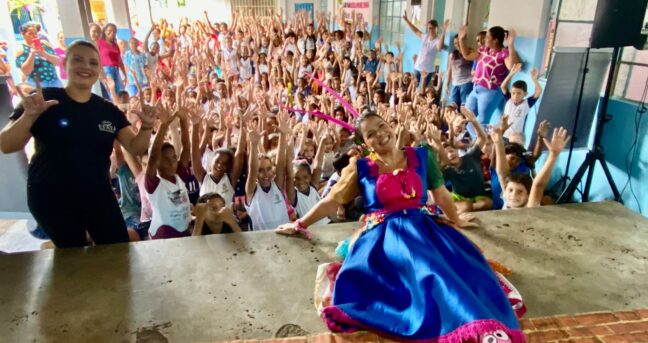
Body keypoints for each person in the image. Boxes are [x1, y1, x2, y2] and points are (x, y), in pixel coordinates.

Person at [275, 111, 523, 341]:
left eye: (382, 126)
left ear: (391, 127)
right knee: (425, 269)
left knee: (459, 270)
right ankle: (463, 328)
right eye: (371, 134)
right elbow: (332, 201)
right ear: (365, 143)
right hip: (384, 236)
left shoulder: (421, 156)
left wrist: (456, 220)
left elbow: (440, 193)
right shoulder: (360, 168)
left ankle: (479, 325)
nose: (379, 134)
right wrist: (299, 223)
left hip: (425, 227)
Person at [0, 40, 154, 248]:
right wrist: (28, 117)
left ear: (99, 69)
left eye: (93, 63)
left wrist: (145, 128)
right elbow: (6, 144)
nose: (86, 67)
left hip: (97, 193)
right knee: (71, 254)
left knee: (117, 248)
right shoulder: (43, 100)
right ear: (64, 64)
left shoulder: (107, 111)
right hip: (51, 194)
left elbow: (136, 147)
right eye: (78, 60)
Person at [458, 25, 520, 131]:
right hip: (476, 88)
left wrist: (510, 45)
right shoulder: (484, 50)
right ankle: (478, 143)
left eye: (487, 37)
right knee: (467, 118)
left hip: (491, 91)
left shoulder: (503, 53)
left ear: (495, 40)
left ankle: (480, 145)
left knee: (482, 123)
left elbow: (511, 66)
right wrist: (461, 40)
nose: (484, 39)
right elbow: (467, 55)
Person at [492, 124, 569, 209]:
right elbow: (502, 172)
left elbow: (538, 185)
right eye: (510, 190)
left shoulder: (530, 206)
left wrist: (553, 155)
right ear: (504, 193)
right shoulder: (507, 201)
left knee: (547, 199)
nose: (513, 195)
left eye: (520, 192)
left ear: (528, 195)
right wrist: (497, 142)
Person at [403, 14, 449, 88]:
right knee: (413, 89)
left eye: (431, 28)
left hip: (427, 71)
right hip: (417, 68)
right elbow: (416, 31)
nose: (429, 30)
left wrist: (444, 31)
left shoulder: (437, 40)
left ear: (436, 28)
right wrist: (407, 21)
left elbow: (440, 47)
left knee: (421, 91)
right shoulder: (425, 36)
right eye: (428, 28)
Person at [500, 63, 543, 140]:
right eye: (513, 93)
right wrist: (511, 73)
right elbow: (503, 86)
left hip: (516, 138)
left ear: (525, 94)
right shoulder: (509, 99)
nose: (515, 96)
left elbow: (539, 90)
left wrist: (534, 78)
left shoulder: (527, 104)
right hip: (503, 134)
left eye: (519, 93)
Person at [15, 22, 62, 88]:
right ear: (23, 34)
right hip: (37, 84)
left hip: (54, 81)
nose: (34, 36)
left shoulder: (45, 43)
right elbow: (26, 71)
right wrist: (32, 54)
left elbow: (58, 62)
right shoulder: (21, 49)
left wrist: (44, 54)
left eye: (35, 33)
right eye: (30, 33)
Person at [97, 23, 127, 96]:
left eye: (114, 31)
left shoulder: (115, 45)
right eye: (109, 30)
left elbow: (119, 61)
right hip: (106, 70)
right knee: (112, 92)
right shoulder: (99, 42)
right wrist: (101, 73)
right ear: (105, 31)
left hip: (116, 70)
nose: (112, 32)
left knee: (121, 92)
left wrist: (125, 74)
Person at [446, 34, 473, 107]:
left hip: (467, 83)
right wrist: (447, 83)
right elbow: (450, 69)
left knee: (464, 107)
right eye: (455, 43)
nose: (457, 44)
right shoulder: (452, 55)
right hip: (455, 84)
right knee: (453, 106)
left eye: (458, 42)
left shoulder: (470, 52)